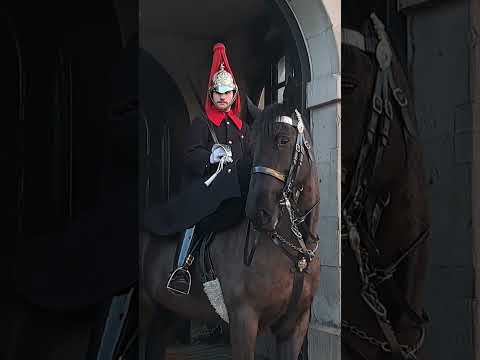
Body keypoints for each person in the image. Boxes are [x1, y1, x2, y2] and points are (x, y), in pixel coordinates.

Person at [143, 43, 252, 295]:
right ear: (212, 94)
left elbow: (249, 157)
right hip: (207, 187)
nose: (223, 96)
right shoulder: (200, 125)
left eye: (227, 92)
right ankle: (181, 268)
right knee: (196, 211)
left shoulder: (243, 129)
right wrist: (210, 155)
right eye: (218, 92)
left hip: (236, 187)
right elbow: (189, 156)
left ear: (234, 94)